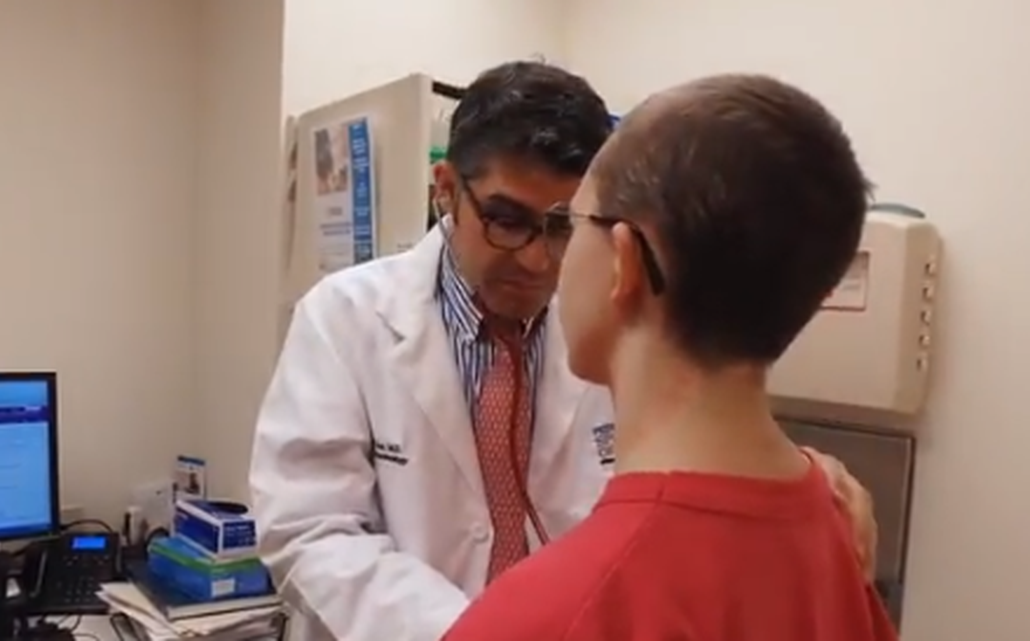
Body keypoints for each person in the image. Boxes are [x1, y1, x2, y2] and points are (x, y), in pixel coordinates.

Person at [249, 62, 879, 641]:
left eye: (560, 226)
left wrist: (795, 474)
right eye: (506, 219)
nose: (535, 258)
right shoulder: (345, 316)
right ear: (446, 190)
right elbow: (309, 527)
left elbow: (695, 426)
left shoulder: (614, 329)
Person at [442, 73, 897, 641]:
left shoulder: (538, 619)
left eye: (568, 223)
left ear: (624, 263)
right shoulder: (837, 536)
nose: (542, 260)